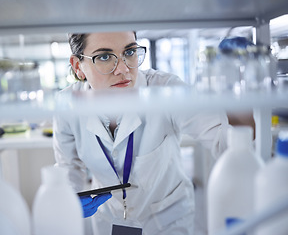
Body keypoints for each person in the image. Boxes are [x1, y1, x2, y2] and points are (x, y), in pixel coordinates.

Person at [53, 31, 251, 235]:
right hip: (108, 220)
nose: (123, 69)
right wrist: (71, 197)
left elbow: (228, 142)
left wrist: (243, 88)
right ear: (78, 66)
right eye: (104, 57)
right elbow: (68, 168)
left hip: (167, 222)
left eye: (129, 52)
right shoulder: (67, 105)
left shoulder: (165, 90)